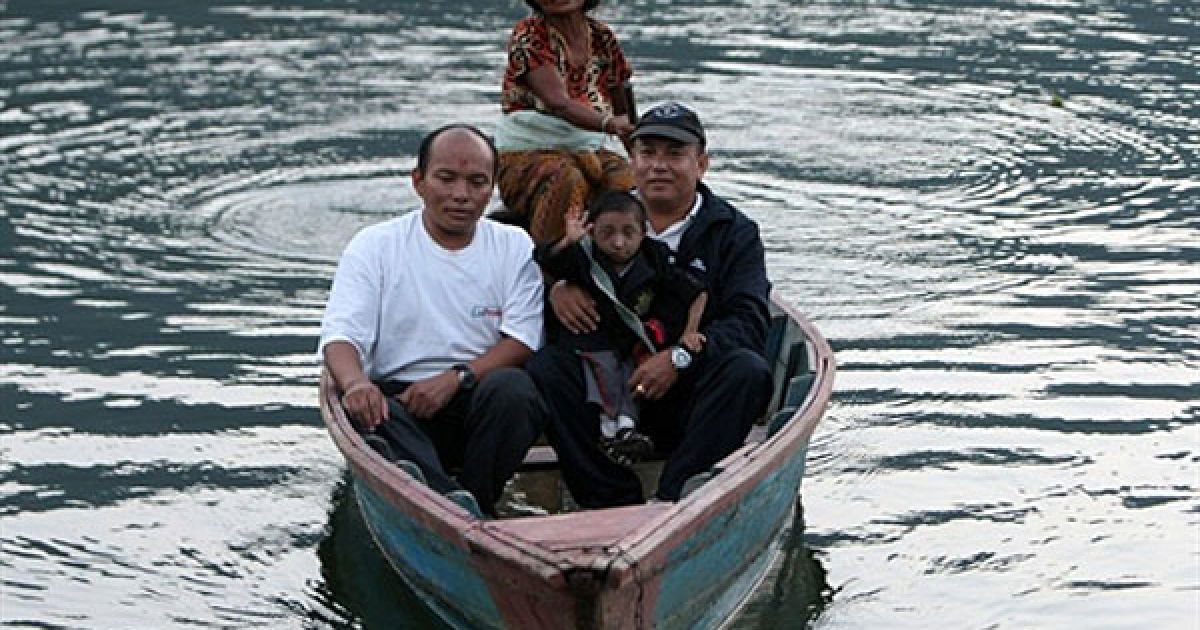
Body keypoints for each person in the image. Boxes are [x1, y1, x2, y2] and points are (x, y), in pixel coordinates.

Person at [526, 102, 775, 507]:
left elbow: (749, 321)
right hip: (606, 384)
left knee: (747, 371)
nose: (659, 165)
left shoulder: (733, 233)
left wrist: (679, 358)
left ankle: (676, 495)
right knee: (545, 369)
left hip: (687, 393)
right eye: (648, 153)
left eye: (674, 154)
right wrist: (556, 288)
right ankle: (607, 497)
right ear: (632, 161)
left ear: (701, 164)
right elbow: (542, 269)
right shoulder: (597, 217)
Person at [318, 124, 547, 517]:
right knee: (372, 414)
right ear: (418, 182)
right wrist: (356, 384)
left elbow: (522, 340)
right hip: (398, 404)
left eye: (476, 182)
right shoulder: (374, 246)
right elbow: (341, 337)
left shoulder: (513, 245)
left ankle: (474, 498)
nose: (461, 194)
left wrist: (456, 379)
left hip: (474, 394)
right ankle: (453, 504)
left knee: (516, 392)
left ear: (491, 188)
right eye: (446, 178)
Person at [533, 190, 708, 465]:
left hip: (635, 342)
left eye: (629, 233)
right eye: (607, 233)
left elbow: (696, 292)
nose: (618, 243)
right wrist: (568, 240)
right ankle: (609, 430)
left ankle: (625, 429)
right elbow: (547, 261)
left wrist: (689, 333)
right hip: (590, 343)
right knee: (601, 373)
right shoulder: (583, 255)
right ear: (592, 231)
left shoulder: (656, 257)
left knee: (633, 374)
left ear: (643, 232)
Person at [495, 0, 637, 243]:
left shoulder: (602, 37)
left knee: (625, 180)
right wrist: (609, 124)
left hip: (586, 148)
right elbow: (559, 103)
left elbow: (622, 104)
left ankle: (613, 258)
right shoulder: (529, 35)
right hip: (527, 151)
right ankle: (553, 255)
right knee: (567, 179)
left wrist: (641, 156)